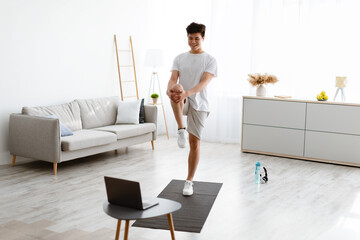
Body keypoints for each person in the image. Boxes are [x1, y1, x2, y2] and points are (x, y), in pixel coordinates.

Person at [166, 22, 217, 196]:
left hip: (199, 103)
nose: (193, 42)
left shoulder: (210, 60)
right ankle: (181, 129)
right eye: (190, 38)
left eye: (196, 38)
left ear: (203, 38)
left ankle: (189, 181)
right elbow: (173, 79)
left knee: (194, 143)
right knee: (176, 88)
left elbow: (203, 83)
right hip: (182, 99)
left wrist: (187, 93)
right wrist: (169, 89)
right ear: (187, 38)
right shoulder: (180, 58)